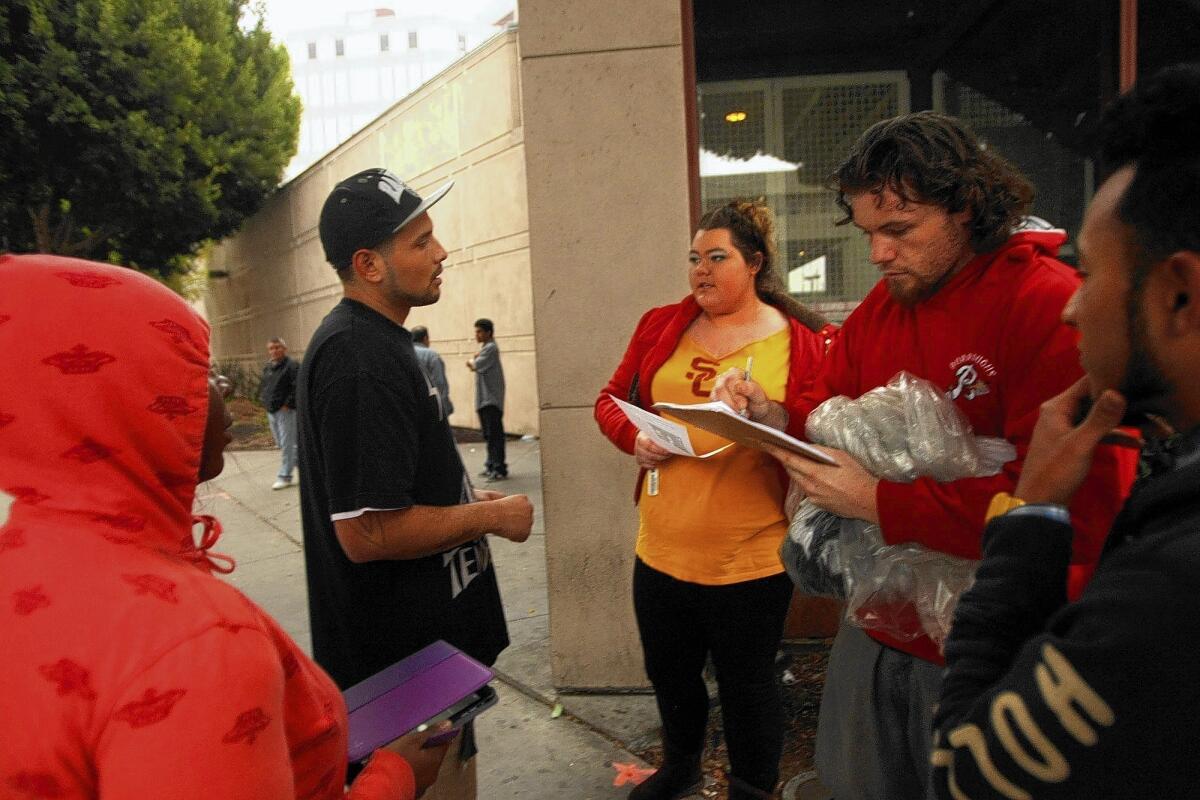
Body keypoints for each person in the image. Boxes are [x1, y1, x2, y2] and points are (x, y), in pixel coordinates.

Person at [715, 113, 1137, 799]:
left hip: (1003, 640)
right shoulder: (884, 308)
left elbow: (1075, 514)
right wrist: (774, 417)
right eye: (869, 232)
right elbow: (829, 416)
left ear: (967, 207)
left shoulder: (1048, 308)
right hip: (877, 625)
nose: (878, 253)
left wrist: (878, 501)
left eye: (900, 230)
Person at [0, 253, 449, 799]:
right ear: (130, 400)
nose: (218, 397)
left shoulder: (32, 561)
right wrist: (394, 778)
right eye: (200, 373)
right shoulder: (196, 643)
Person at [930, 63, 1200, 800]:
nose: (1072, 312)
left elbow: (965, 771)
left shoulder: (1169, 598)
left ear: (1179, 295)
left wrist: (1030, 521)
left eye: (1089, 273)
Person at [299, 168, 533, 799]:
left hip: (432, 669)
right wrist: (491, 517)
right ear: (369, 265)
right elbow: (366, 532)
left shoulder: (381, 343)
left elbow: (393, 491)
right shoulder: (356, 358)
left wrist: (464, 501)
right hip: (400, 690)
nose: (442, 251)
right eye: (420, 241)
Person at [595, 200, 835, 800]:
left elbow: (817, 428)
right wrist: (636, 436)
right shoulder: (660, 325)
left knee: (747, 683)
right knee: (670, 674)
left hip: (750, 557)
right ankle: (681, 767)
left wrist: (765, 411)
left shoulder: (804, 341)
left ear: (754, 263)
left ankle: (752, 787)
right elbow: (608, 400)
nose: (701, 269)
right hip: (662, 546)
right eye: (694, 258)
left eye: (717, 257)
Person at [466, 319, 506, 481]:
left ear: (488, 333)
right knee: (489, 435)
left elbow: (475, 365)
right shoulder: (486, 348)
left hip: (491, 399)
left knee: (494, 435)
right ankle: (491, 464)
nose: (477, 335)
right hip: (484, 399)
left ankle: (498, 468)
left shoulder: (490, 348)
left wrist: (471, 361)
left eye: (479, 331)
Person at [260, 336, 300, 489]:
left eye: (278, 347)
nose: (274, 350)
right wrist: (264, 401)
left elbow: (298, 386)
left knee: (287, 445)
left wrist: (288, 404)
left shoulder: (292, 366)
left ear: (284, 349)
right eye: (271, 348)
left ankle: (285, 476)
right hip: (271, 411)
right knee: (282, 444)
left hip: (286, 412)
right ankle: (306, 466)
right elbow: (265, 386)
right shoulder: (268, 367)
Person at [411, 325, 454, 418]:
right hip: (431, 408)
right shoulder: (431, 355)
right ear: (425, 338)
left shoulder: (405, 353)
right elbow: (439, 383)